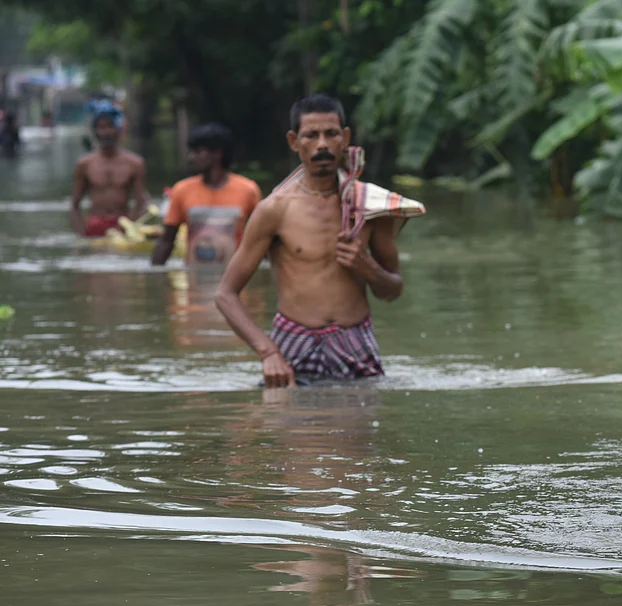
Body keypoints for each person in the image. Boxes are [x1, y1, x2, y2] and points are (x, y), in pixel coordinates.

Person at [215, 93, 425, 388]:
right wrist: (268, 352)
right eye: (311, 136)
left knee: (359, 433)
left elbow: (393, 290)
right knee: (295, 432)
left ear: (346, 137)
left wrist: (366, 267)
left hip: (356, 343)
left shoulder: (371, 206)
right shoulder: (274, 210)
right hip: (292, 345)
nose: (322, 144)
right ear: (294, 141)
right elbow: (225, 294)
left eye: (332, 134)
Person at [151, 122, 262, 265]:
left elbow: (261, 239)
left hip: (233, 278)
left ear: (217, 153)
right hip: (194, 275)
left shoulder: (248, 190)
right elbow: (167, 241)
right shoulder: (182, 190)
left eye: (198, 152)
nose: (192, 157)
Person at [70, 111, 147, 237]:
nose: (106, 132)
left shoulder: (135, 163)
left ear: (119, 130)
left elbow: (141, 202)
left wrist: (132, 228)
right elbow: (75, 205)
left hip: (123, 223)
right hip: (94, 224)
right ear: (95, 132)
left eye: (110, 127)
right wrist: (81, 235)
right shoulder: (85, 164)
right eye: (101, 127)